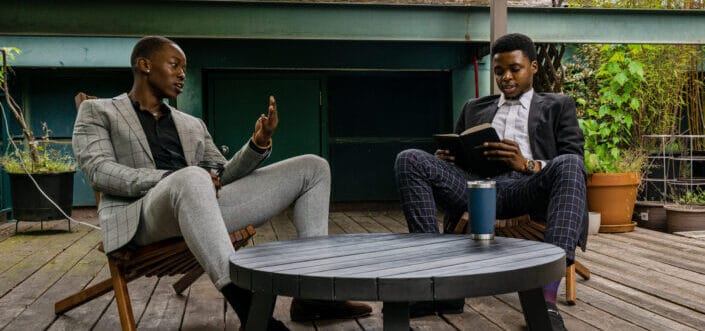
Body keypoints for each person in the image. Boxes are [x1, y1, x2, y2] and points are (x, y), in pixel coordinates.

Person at [72, 36, 371, 330]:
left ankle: (314, 295)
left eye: (185, 69)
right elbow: (99, 171)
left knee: (313, 167)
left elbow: (223, 174)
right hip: (142, 217)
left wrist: (257, 143)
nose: (181, 75)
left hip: (200, 207)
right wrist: (171, 178)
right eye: (174, 65)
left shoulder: (192, 124)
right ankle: (253, 314)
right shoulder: (99, 111)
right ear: (144, 64)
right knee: (191, 177)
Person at [394, 33, 587, 331]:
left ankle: (545, 302)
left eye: (515, 69)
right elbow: (460, 149)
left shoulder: (557, 106)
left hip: (526, 190)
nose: (506, 77)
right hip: (477, 189)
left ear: (533, 67)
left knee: (571, 164)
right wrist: (446, 158)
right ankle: (432, 284)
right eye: (499, 71)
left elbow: (574, 161)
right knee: (409, 159)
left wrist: (526, 163)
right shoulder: (474, 108)